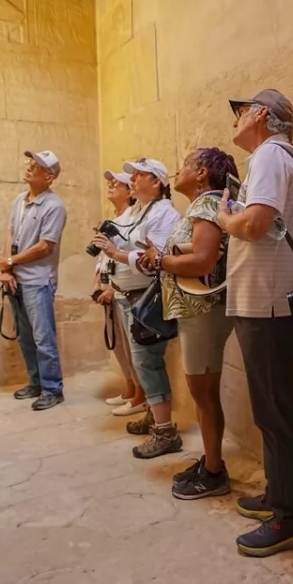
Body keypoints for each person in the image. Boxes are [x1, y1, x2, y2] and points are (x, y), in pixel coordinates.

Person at [216, 89, 293, 558]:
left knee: (274, 412)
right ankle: (279, 495)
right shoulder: (270, 157)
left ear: (260, 115)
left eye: (240, 112)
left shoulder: (271, 155)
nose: (234, 121)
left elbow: (255, 225)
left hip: (269, 306)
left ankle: (292, 517)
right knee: (269, 410)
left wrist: (224, 216)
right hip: (264, 304)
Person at [139, 148, 240, 500]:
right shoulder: (207, 206)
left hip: (202, 309)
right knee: (203, 394)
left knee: (204, 395)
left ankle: (214, 472)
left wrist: (160, 260)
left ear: (202, 173)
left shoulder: (206, 205)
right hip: (199, 310)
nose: (177, 171)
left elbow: (202, 260)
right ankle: (211, 462)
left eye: (185, 165)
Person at [90, 158, 181, 458]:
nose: (133, 180)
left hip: (147, 296)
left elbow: (151, 258)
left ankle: (165, 431)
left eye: (140, 175)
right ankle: (156, 417)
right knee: (142, 362)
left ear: (157, 182)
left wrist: (116, 252)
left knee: (147, 362)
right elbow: (134, 246)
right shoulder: (139, 211)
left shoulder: (164, 213)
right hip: (130, 295)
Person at [0, 150, 68, 411]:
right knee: (25, 337)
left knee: (43, 337)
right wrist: (6, 269)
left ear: (49, 177)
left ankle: (53, 388)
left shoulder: (54, 206)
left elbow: (45, 247)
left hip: (38, 281)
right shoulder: (19, 200)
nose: (29, 166)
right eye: (30, 162)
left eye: (37, 165)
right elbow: (10, 232)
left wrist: (11, 263)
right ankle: (36, 382)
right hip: (16, 277)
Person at [93, 170, 145, 414]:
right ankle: (129, 388)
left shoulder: (133, 220)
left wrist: (113, 288)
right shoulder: (114, 220)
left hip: (122, 291)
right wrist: (98, 283)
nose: (111, 186)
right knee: (118, 345)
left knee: (130, 345)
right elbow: (104, 255)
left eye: (117, 183)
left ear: (129, 192)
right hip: (109, 288)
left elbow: (128, 258)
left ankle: (139, 394)